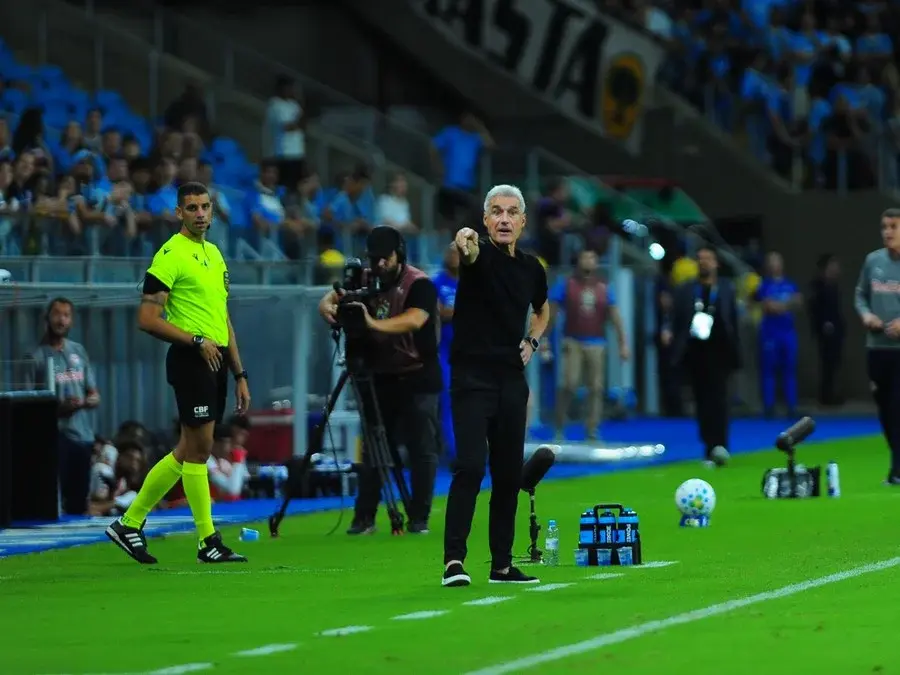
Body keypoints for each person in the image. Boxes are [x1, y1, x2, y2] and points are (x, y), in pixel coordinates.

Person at [105, 181, 252, 564]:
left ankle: (129, 522)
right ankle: (208, 540)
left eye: (205, 207)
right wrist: (195, 340)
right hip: (191, 359)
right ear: (179, 213)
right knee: (199, 450)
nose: (201, 213)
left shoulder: (215, 255)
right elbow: (147, 318)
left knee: (189, 449)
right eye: (192, 208)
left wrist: (240, 373)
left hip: (216, 360)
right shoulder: (169, 255)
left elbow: (223, 318)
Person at [442, 184, 550, 588]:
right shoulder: (477, 254)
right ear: (485, 220)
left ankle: (502, 566)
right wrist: (463, 241)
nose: (504, 219)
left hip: (510, 379)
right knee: (469, 466)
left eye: (511, 212)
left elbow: (543, 309)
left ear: (523, 221)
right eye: (496, 212)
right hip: (471, 378)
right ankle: (454, 561)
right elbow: (465, 249)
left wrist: (532, 340)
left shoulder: (531, 268)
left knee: (507, 476)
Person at [318, 226, 441, 533]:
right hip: (379, 375)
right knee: (373, 445)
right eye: (374, 259)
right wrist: (328, 309)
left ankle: (419, 516)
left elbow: (415, 319)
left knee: (420, 447)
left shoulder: (420, 284)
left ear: (399, 255)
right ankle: (365, 516)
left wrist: (372, 323)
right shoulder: (364, 276)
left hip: (417, 374)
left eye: (385, 259)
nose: (379, 265)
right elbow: (330, 298)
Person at [22, 297, 101, 515]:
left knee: (79, 498)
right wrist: (58, 409)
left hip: (82, 435)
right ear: (47, 318)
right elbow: (27, 406)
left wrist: (84, 402)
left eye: (66, 315)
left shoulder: (78, 351)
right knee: (54, 500)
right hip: (53, 437)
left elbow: (94, 394)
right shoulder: (34, 357)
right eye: (57, 314)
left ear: (72, 321)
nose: (61, 320)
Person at [664, 245, 741, 467]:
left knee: (720, 400)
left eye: (708, 259)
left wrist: (735, 351)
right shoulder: (686, 290)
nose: (704, 262)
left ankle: (721, 444)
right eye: (700, 259)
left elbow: (732, 320)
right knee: (701, 401)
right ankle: (709, 446)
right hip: (696, 352)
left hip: (720, 351)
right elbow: (677, 318)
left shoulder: (726, 288)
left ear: (716, 263)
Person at [550, 249, 630, 439]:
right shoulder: (567, 284)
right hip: (572, 340)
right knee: (569, 383)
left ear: (596, 263)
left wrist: (623, 343)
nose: (588, 261)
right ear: (578, 261)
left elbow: (615, 317)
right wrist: (543, 338)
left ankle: (592, 429)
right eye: (585, 257)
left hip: (596, 341)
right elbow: (551, 312)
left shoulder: (603, 286)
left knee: (595, 387)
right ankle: (560, 425)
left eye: (592, 258)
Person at [854, 208, 900, 485]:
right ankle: (896, 462)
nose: (888, 232)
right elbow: (860, 294)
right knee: (884, 409)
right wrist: (866, 315)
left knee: (897, 407)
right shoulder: (873, 261)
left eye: (893, 226)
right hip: (877, 347)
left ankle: (897, 469)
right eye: (884, 226)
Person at [755, 251, 802, 418]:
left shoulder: (790, 284)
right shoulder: (764, 285)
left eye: (777, 261)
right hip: (770, 333)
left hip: (788, 332)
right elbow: (769, 306)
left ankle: (792, 406)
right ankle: (769, 407)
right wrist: (785, 304)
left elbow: (798, 301)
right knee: (769, 370)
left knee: (790, 369)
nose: (775, 265)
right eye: (771, 262)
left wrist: (782, 305)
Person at [433, 243, 460, 461]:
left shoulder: (473, 282)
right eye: (451, 252)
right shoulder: (437, 283)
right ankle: (454, 453)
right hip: (446, 353)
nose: (454, 256)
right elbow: (439, 313)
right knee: (449, 402)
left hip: (471, 352)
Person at [808, 253, 845, 405]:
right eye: (832, 265)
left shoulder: (834, 286)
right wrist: (823, 324)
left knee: (834, 364)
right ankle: (825, 396)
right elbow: (814, 309)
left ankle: (832, 394)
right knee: (827, 365)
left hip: (836, 332)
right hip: (825, 333)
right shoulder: (818, 286)